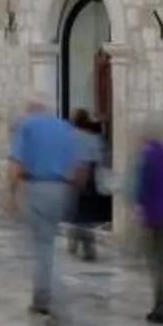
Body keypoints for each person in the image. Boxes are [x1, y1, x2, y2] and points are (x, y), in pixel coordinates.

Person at [6, 98, 84, 319]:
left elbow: (16, 165)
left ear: (31, 110)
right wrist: (73, 192)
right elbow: (78, 167)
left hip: (36, 188)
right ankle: (40, 297)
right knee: (47, 244)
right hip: (60, 189)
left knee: (38, 247)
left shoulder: (27, 127)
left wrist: (11, 194)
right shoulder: (65, 128)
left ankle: (53, 298)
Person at [132, 123, 163, 325]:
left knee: (155, 261)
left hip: (152, 214)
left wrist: (138, 205)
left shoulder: (147, 155)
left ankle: (161, 303)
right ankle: (162, 300)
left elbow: (143, 186)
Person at [68, 110, 109, 261]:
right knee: (87, 213)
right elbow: (101, 158)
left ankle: (77, 239)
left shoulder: (70, 136)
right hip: (92, 176)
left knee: (78, 211)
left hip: (76, 174)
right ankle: (85, 245)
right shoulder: (94, 138)